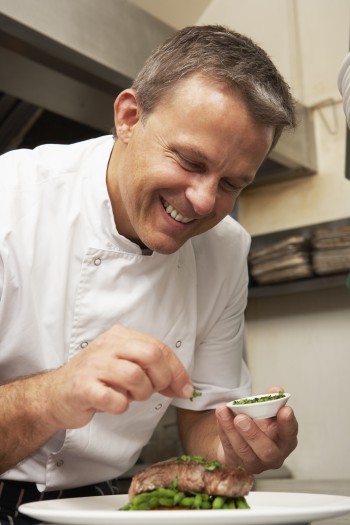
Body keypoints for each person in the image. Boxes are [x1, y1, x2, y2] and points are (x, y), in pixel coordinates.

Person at [0, 24, 298, 524]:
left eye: (230, 184)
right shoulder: (11, 201)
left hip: (106, 505)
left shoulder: (225, 250)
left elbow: (205, 419)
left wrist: (240, 449)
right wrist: (55, 396)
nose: (205, 201)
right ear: (129, 117)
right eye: (189, 160)